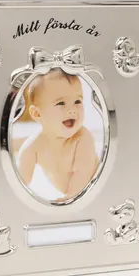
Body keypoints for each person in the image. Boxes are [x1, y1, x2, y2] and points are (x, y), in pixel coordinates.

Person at [17, 68, 98, 202]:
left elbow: (82, 175)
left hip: (98, 193)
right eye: (61, 103)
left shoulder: (83, 138)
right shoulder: (33, 147)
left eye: (77, 101)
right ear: (37, 114)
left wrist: (69, 198)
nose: (72, 109)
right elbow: (20, 182)